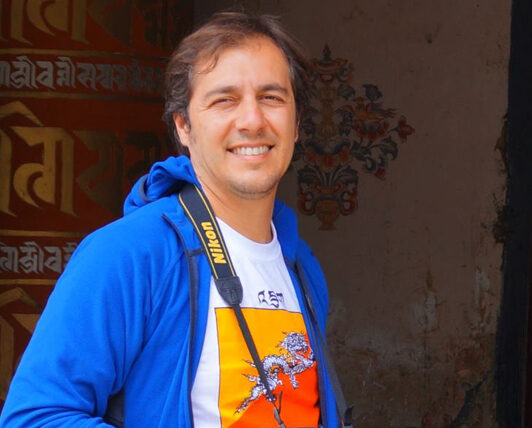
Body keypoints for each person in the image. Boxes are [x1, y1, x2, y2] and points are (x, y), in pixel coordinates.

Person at [0, 12, 346, 428]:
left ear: (297, 124)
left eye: (271, 97)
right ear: (183, 126)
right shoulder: (130, 254)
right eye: (225, 100)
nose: (253, 121)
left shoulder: (303, 268)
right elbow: (34, 417)